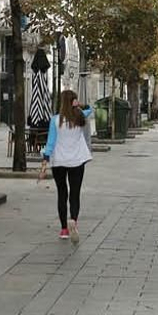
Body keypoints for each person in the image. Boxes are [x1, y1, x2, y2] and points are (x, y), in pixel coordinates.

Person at [39, 89, 93, 243]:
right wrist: (79, 105)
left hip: (59, 162)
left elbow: (50, 143)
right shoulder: (80, 116)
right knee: (75, 193)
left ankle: (63, 229)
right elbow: (90, 108)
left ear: (61, 103)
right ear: (74, 102)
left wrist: (44, 163)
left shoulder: (55, 120)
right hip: (77, 161)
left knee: (62, 193)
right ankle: (73, 221)